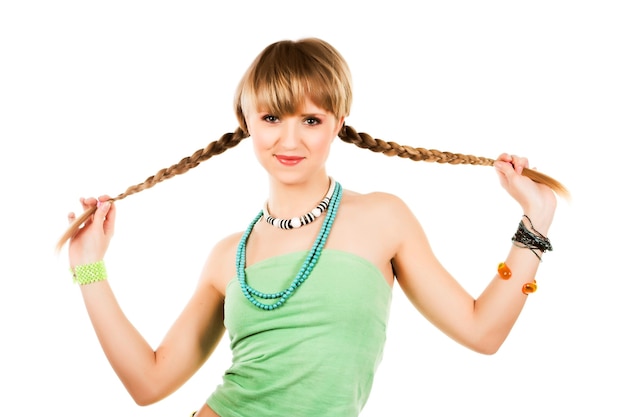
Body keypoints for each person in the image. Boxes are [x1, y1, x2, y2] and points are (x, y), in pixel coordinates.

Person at [61, 38, 564, 417]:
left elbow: (483, 331)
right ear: (247, 121)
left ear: (338, 122)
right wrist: (89, 269)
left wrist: (534, 223)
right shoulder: (227, 256)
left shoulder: (382, 217)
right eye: (272, 116)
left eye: (311, 120)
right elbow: (148, 384)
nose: (289, 139)